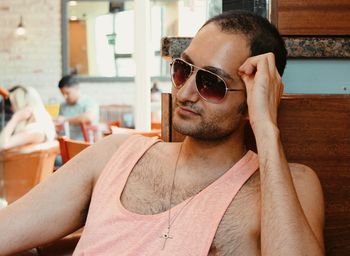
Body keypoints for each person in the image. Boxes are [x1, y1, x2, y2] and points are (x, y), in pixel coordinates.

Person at [0, 11, 324, 255]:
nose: (184, 94)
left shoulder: (290, 184)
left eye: (212, 83)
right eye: (183, 70)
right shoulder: (113, 154)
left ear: (253, 97)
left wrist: (266, 128)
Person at [0, 85, 56, 150]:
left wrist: (15, 118)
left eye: (14, 104)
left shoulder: (36, 130)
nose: (12, 109)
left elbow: (2, 145)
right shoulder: (38, 128)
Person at [55, 75, 99, 141]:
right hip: (66, 142)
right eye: (62, 94)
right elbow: (59, 125)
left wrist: (65, 120)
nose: (65, 97)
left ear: (77, 88)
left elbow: (88, 117)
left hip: (87, 143)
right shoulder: (63, 105)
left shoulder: (89, 102)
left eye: (67, 93)